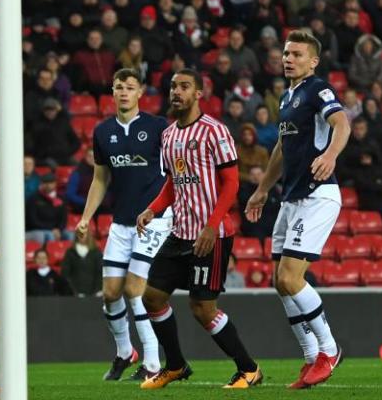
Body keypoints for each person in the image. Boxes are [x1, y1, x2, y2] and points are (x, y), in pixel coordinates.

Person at [137, 68, 262, 390]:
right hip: (180, 232)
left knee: (202, 309)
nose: (176, 91)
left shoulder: (214, 131)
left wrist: (211, 225)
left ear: (198, 93)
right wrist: (153, 209)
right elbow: (172, 183)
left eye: (184, 86)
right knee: (151, 297)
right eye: (173, 86)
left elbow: (232, 183)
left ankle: (249, 369)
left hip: (213, 235)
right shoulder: (168, 135)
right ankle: (176, 365)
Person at [245, 31, 350, 389]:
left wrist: (331, 154)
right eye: (287, 53)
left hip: (318, 195)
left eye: (297, 54)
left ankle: (330, 350)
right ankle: (309, 357)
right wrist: (262, 190)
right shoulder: (288, 96)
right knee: (279, 282)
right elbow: (281, 147)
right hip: (290, 198)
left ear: (313, 61)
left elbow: (342, 122)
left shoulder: (318, 89)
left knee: (291, 278)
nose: (288, 59)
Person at [75, 69, 169, 381]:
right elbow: (100, 178)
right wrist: (87, 217)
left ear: (140, 92)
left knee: (134, 289)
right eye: (119, 87)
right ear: (113, 93)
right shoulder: (103, 132)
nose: (124, 92)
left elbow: (174, 174)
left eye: (130, 87)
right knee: (110, 293)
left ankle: (153, 364)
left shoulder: (158, 127)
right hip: (121, 222)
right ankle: (125, 352)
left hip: (153, 220)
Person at [61, 228, 103, 297]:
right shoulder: (70, 252)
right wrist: (74, 292)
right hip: (74, 295)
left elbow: (100, 273)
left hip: (94, 294)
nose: (82, 235)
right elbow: (65, 274)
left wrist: (97, 291)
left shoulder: (96, 252)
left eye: (84, 233)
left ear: (89, 235)